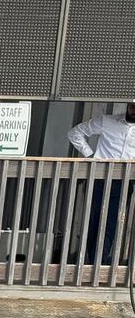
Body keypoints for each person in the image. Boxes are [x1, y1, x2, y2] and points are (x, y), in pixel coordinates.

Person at [67, 103, 135, 264]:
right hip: (100, 178)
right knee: (94, 220)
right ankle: (91, 262)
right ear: (127, 106)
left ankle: (98, 262)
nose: (133, 111)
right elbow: (75, 132)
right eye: (132, 107)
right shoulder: (107, 121)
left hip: (124, 181)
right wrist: (90, 156)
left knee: (111, 222)